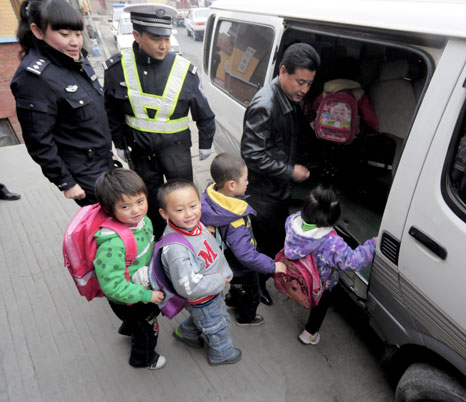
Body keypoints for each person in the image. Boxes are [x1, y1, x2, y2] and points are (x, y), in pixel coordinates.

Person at [103, 3, 216, 236]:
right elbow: (112, 112)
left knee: (182, 201)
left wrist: (206, 142)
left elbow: (203, 111)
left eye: (167, 38)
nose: (164, 45)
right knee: (149, 203)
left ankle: (189, 240)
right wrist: (119, 144)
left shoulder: (183, 70)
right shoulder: (117, 68)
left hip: (177, 151)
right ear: (137, 35)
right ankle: (155, 243)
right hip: (140, 153)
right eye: (156, 38)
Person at [11, 0, 114, 206]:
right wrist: (65, 182)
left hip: (104, 161)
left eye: (77, 34)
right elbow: (38, 140)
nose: (75, 42)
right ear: (38, 31)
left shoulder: (76, 59)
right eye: (64, 35)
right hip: (84, 174)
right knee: (109, 229)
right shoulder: (34, 78)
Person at [240, 43, 320, 305]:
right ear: (283, 71)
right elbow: (251, 154)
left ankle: (256, 282)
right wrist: (289, 170)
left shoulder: (288, 98)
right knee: (265, 243)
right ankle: (250, 290)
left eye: (309, 84)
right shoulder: (265, 104)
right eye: (300, 82)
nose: (305, 90)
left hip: (277, 189)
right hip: (265, 193)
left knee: (271, 241)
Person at [157, 179, 241, 365]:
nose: (189, 214)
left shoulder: (193, 225)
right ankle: (222, 354)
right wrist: (220, 281)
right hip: (202, 297)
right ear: (164, 213)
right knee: (217, 325)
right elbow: (188, 286)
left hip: (211, 288)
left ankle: (185, 333)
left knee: (206, 318)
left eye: (193, 206)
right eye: (179, 210)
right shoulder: (176, 249)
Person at [200, 153, 287, 326]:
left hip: (227, 263)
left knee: (238, 288)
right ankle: (246, 317)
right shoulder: (235, 221)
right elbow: (246, 255)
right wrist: (273, 266)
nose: (248, 182)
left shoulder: (211, 194)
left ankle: (232, 299)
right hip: (242, 269)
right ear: (231, 185)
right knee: (251, 295)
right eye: (245, 179)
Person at [283, 184, 376, 345]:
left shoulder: (291, 221)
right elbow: (353, 261)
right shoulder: (331, 243)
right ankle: (309, 333)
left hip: (295, 273)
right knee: (321, 304)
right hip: (319, 284)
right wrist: (372, 244)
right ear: (333, 217)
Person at [93, 168, 166, 370]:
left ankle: (129, 326)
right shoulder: (112, 245)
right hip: (131, 298)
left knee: (137, 321)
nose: (136, 210)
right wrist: (146, 295)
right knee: (148, 328)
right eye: (125, 206)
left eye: (140, 201)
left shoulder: (144, 221)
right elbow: (113, 287)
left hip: (139, 287)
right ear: (109, 209)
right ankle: (143, 359)